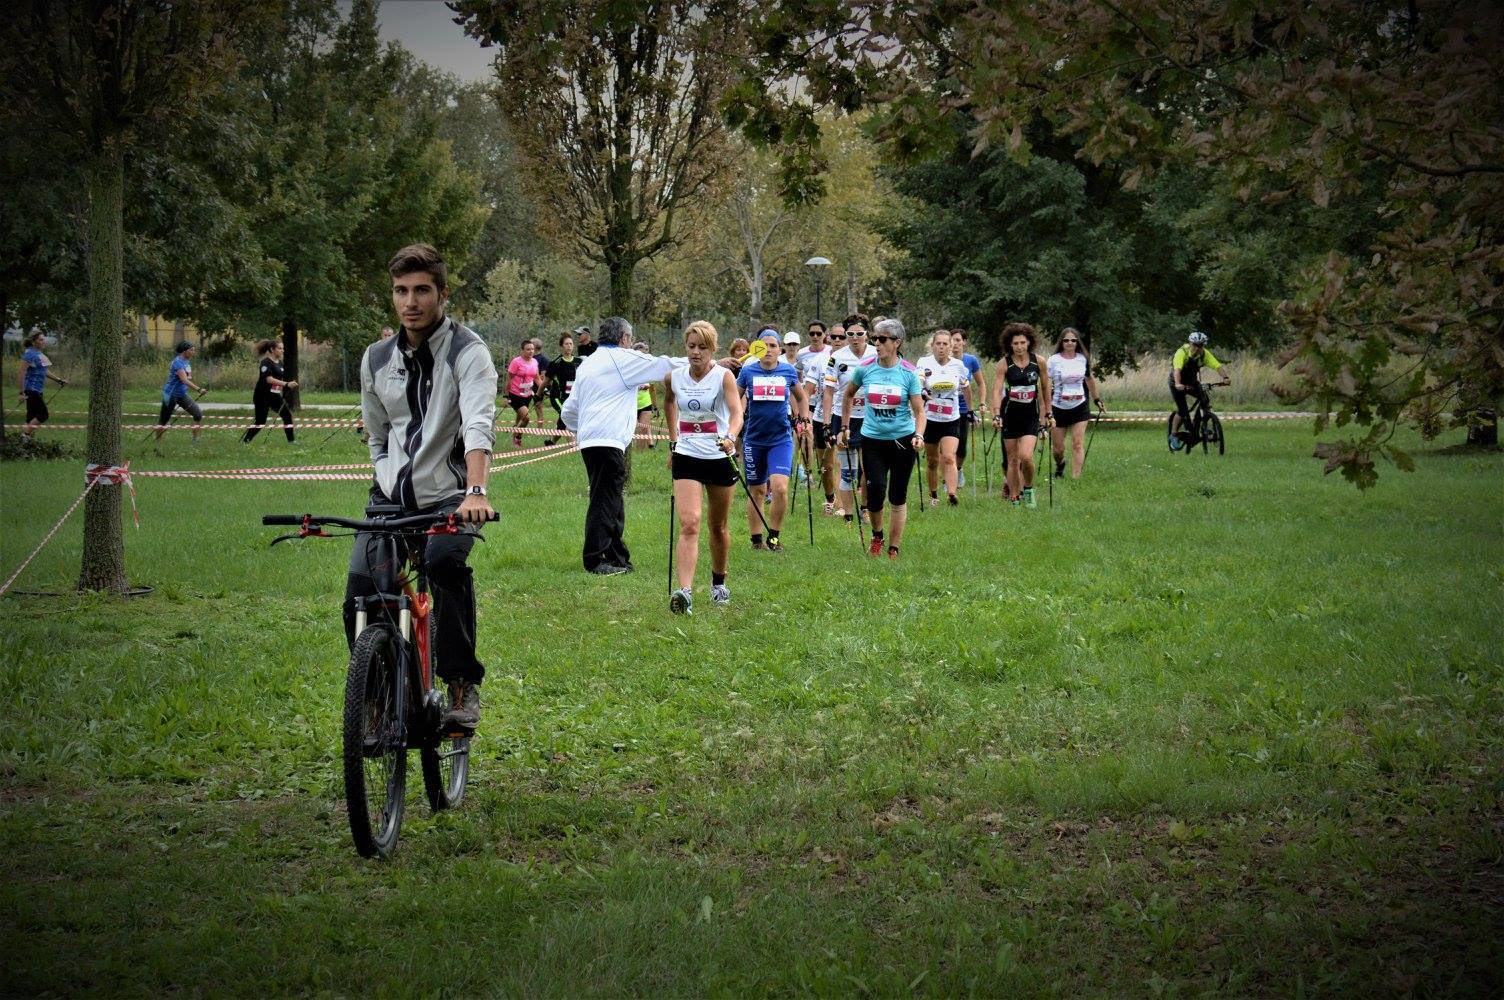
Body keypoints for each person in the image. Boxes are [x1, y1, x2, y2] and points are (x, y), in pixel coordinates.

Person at [346, 243, 497, 732]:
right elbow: (376, 433)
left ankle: (459, 683)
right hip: (389, 498)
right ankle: (379, 691)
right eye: (400, 291)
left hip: (454, 496)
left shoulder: (467, 351)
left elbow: (478, 424)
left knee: (443, 562)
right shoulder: (375, 359)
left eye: (422, 290)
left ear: (442, 294)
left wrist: (476, 491)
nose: (410, 301)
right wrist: (385, 477)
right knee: (361, 593)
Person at [560, 316, 686, 574]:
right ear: (624, 338)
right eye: (629, 339)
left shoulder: (588, 363)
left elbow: (569, 411)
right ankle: (596, 559)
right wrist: (709, 363)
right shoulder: (623, 359)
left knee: (612, 497)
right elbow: (665, 365)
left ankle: (618, 557)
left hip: (592, 441)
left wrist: (583, 429)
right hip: (607, 440)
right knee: (604, 499)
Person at [665, 320, 744, 614]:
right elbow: (670, 402)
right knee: (690, 523)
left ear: (712, 349)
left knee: (718, 526)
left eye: (702, 347)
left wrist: (730, 437)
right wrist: (674, 442)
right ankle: (683, 593)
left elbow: (737, 414)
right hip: (687, 455)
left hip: (718, 456)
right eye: (691, 346)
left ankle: (719, 583)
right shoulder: (674, 377)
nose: (696, 352)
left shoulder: (724, 377)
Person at [840, 318, 925, 559]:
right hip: (872, 440)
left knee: (897, 495)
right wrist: (845, 426)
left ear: (897, 343)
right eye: (875, 338)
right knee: (875, 489)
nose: (877, 343)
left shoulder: (908, 372)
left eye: (882, 339)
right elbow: (847, 396)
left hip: (902, 439)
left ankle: (894, 548)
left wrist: (919, 434)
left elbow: (920, 411)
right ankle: (877, 536)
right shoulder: (865, 368)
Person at [737, 329, 811, 552]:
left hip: (780, 439)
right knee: (757, 491)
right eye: (764, 345)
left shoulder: (788, 371)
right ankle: (756, 539)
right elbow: (734, 397)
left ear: (780, 350)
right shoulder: (748, 372)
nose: (768, 350)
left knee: (779, 488)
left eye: (773, 346)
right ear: (756, 349)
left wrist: (805, 418)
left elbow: (802, 397)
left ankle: (775, 537)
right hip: (754, 440)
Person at [989, 323, 1052, 507]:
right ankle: (1015, 497)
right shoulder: (1004, 363)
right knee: (1012, 460)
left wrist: (1048, 413)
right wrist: (996, 414)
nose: (1019, 347)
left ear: (1029, 343)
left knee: (1026, 457)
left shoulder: (1038, 361)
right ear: (1010, 344)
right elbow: (997, 390)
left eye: (1022, 343)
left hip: (1030, 415)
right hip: (1010, 415)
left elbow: (1045, 388)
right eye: (1015, 343)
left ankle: (1029, 488)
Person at [822, 315, 873, 522]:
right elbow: (828, 391)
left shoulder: (875, 354)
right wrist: (826, 424)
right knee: (848, 470)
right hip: (843, 417)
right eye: (850, 334)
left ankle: (865, 509)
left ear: (867, 335)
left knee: (869, 469)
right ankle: (849, 515)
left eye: (859, 334)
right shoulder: (837, 357)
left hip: (870, 418)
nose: (854, 338)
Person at [916, 330, 974, 506]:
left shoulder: (958, 365)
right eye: (938, 344)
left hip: (951, 418)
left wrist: (971, 411)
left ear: (951, 346)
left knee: (949, 456)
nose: (941, 347)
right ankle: (933, 496)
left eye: (945, 344)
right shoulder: (924, 362)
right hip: (930, 418)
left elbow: (966, 388)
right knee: (933, 461)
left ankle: (951, 494)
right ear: (932, 345)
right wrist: (922, 392)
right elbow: (918, 382)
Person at [1047, 327, 1105, 477]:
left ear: (1077, 342)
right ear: (1061, 342)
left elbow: (1089, 379)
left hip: (1080, 406)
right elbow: (1045, 383)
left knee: (1077, 444)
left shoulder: (1082, 358)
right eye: (1066, 340)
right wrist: (1045, 407)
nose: (1070, 343)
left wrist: (1096, 399)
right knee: (1058, 449)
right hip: (1058, 406)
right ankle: (1060, 464)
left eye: (1073, 340)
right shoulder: (1053, 360)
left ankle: (1076, 479)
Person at [801, 322, 839, 510]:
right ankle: (830, 498)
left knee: (840, 461)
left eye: (842, 337)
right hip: (819, 417)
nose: (838, 340)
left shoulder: (857, 361)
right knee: (826, 465)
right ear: (828, 338)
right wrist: (804, 416)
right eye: (834, 337)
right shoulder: (820, 360)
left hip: (843, 417)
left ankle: (843, 504)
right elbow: (806, 391)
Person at [1169, 330, 1229, 449]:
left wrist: (1225, 377)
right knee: (1183, 411)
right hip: (1177, 382)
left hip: (1191, 383)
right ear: (1190, 343)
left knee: (1204, 399)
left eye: (1200, 345)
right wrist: (1177, 383)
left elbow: (1217, 365)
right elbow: (1177, 370)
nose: (1197, 348)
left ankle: (1203, 423)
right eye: (1195, 345)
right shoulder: (1181, 353)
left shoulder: (1204, 354)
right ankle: (1174, 435)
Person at [949, 328, 987, 488]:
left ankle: (958, 470)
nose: (955, 343)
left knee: (961, 445)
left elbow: (981, 383)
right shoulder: (944, 360)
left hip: (964, 408)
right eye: (952, 340)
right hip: (947, 408)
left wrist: (982, 403)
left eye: (958, 340)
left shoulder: (970, 360)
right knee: (947, 445)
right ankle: (948, 476)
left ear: (964, 342)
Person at [241, 338, 298, 444]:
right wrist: (286, 384)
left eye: (283, 348)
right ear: (272, 349)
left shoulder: (280, 363)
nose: (282, 350)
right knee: (261, 422)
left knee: (287, 415)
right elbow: (269, 379)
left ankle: (291, 441)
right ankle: (246, 441)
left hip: (275, 396)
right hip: (262, 396)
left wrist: (285, 386)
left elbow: (278, 380)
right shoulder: (265, 362)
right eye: (280, 348)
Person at [154, 340, 207, 449]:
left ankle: (195, 441)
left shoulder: (187, 362)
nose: (193, 352)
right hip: (170, 394)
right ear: (184, 351)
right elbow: (184, 380)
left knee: (198, 414)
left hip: (182, 394)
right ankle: (157, 444)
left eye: (194, 350)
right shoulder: (177, 362)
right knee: (163, 421)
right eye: (191, 350)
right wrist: (199, 389)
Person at [17, 331, 66, 441]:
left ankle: (23, 443)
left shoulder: (40, 354)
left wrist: (59, 380)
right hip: (31, 389)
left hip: (38, 390)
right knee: (43, 415)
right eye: (40, 339)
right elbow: (21, 372)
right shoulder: (30, 354)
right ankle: (24, 436)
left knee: (31, 417)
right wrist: (21, 392)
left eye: (43, 339)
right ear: (34, 342)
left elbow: (44, 371)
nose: (43, 342)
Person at [543, 331, 581, 445]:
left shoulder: (578, 362)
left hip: (572, 398)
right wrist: (538, 395)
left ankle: (551, 442)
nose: (569, 346)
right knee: (567, 416)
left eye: (571, 344)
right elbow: (546, 381)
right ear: (561, 346)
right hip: (557, 397)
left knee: (562, 421)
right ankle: (572, 446)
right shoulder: (556, 363)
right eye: (566, 344)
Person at [505, 338, 544, 448]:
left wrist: (544, 388)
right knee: (526, 417)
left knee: (520, 417)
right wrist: (506, 395)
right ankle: (518, 437)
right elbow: (509, 379)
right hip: (515, 394)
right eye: (528, 349)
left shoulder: (535, 362)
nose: (531, 351)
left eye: (532, 349)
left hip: (527, 394)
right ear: (522, 350)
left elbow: (536, 378)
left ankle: (514, 438)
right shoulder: (516, 362)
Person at [632, 340, 660, 451]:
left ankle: (640, 453)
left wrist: (655, 406)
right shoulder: (629, 369)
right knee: (631, 429)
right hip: (631, 404)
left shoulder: (649, 370)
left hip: (645, 404)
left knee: (643, 429)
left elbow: (653, 390)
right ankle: (628, 453)